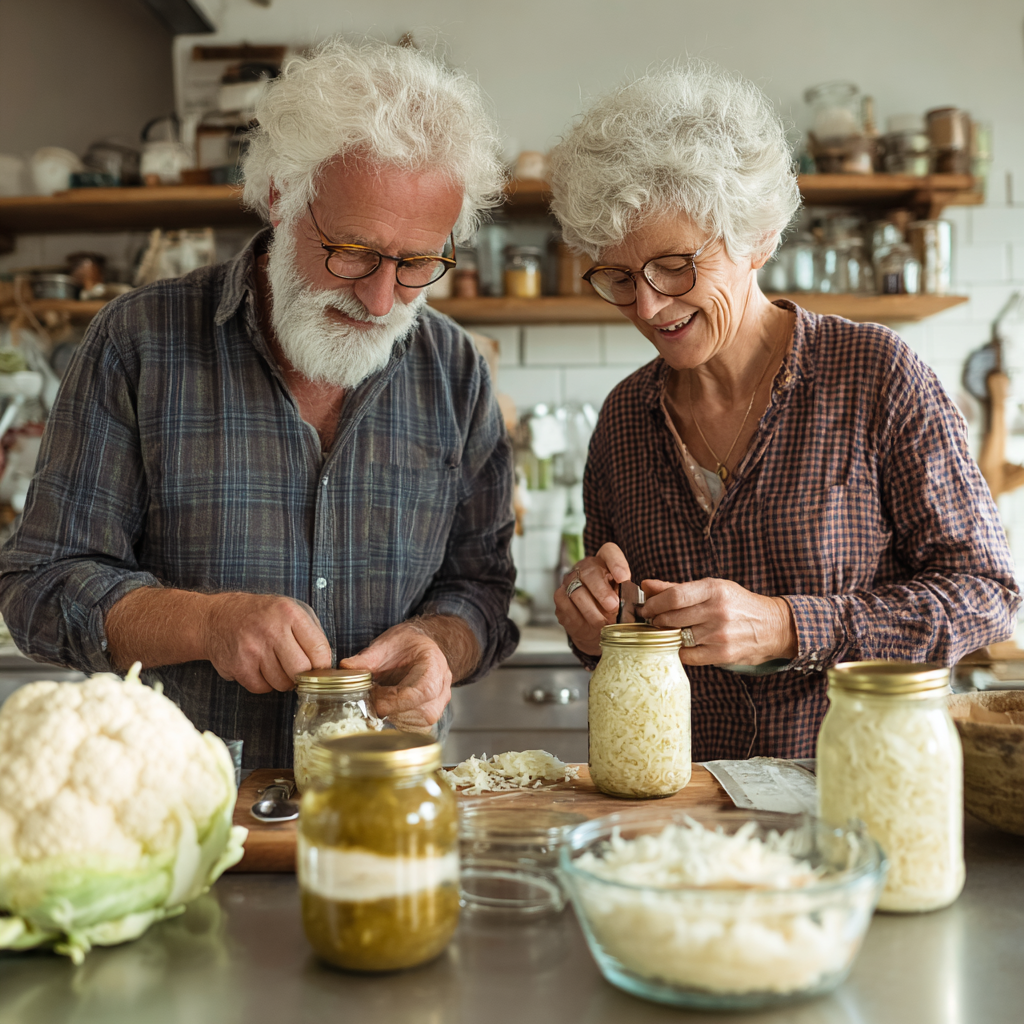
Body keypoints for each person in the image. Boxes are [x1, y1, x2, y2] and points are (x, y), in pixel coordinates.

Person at [0, 39, 518, 767]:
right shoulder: (139, 342)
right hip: (179, 805)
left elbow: (482, 590)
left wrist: (439, 644)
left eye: (415, 265)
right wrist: (207, 624)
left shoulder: (456, 370)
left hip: (381, 798)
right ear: (280, 198)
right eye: (354, 251)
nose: (378, 298)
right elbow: (41, 586)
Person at [547, 63, 1020, 760]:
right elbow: (627, 644)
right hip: (690, 812)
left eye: (675, 266)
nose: (646, 307)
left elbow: (986, 595)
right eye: (616, 277)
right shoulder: (624, 419)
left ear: (757, 238)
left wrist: (790, 626)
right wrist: (597, 629)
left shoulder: (875, 376)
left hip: (857, 791)